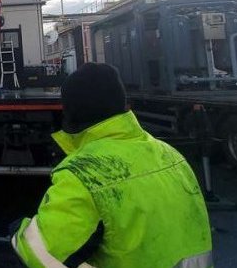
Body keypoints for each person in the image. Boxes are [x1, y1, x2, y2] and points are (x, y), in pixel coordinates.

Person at [11, 62, 212, 268]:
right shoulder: (171, 155)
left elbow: (42, 251)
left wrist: (20, 233)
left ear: (70, 113)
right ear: (123, 103)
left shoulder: (84, 174)